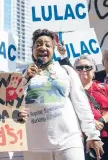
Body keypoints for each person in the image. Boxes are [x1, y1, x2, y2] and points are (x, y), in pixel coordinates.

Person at [18, 29, 103, 160]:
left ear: (53, 49)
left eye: (47, 45)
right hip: (34, 145)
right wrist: (25, 79)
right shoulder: (21, 75)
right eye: (38, 44)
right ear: (32, 49)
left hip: (69, 143)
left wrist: (92, 135)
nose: (43, 47)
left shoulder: (66, 71)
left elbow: (81, 105)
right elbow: (13, 105)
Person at [74, 55, 108, 160]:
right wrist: (91, 122)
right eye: (79, 68)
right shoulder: (71, 92)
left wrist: (102, 120)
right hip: (84, 139)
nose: (83, 70)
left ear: (93, 71)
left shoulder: (104, 87)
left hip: (105, 135)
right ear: (74, 72)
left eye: (87, 67)